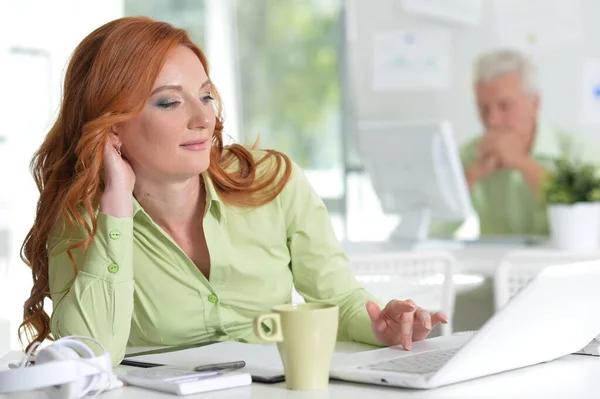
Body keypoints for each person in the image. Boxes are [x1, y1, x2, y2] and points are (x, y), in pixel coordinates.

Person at [19, 17, 447, 366]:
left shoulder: (274, 182)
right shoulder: (83, 215)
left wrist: (377, 326)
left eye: (205, 96)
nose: (203, 118)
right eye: (169, 102)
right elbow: (90, 356)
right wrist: (115, 207)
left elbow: (338, 297)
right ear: (112, 125)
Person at [459, 49, 599, 236]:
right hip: (495, 263)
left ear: (535, 103)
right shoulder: (469, 155)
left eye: (505, 106)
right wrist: (470, 176)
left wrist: (523, 163)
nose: (492, 120)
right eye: (483, 107)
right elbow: (428, 230)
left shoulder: (579, 151)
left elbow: (590, 224)